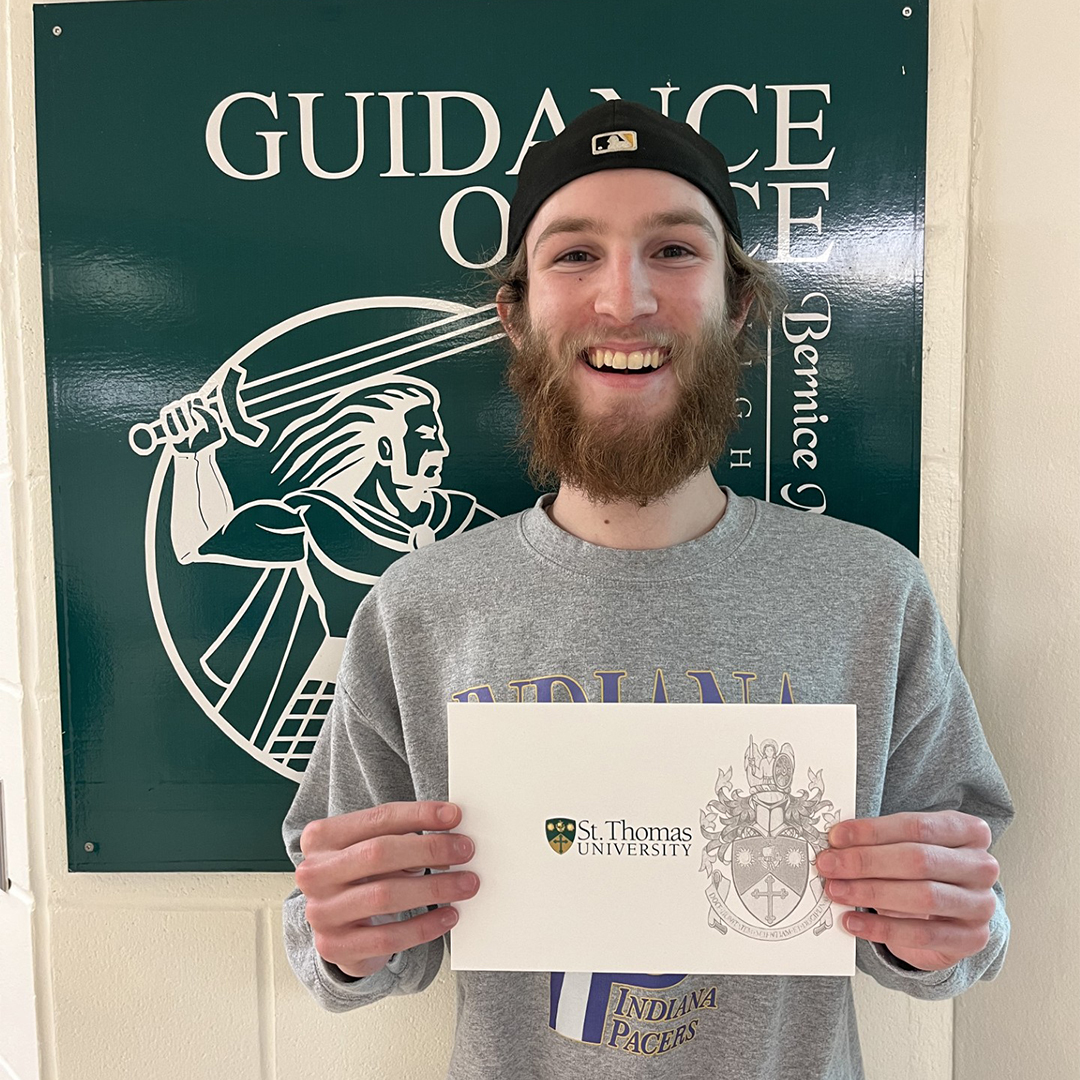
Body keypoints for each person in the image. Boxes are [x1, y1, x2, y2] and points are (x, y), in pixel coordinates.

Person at [282, 101, 1011, 1077]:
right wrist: (343, 934)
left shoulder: (871, 592)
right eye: (573, 255)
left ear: (736, 304)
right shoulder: (420, 608)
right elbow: (352, 944)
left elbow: (952, 919)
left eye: (674, 250)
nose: (624, 299)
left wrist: (953, 926)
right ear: (517, 312)